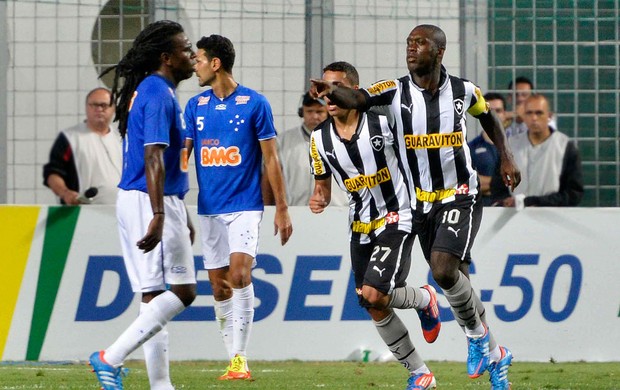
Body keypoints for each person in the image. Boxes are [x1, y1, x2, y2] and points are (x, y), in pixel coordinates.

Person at [311, 24, 521, 390]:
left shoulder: (463, 91)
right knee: (457, 284)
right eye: (408, 43)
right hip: (421, 203)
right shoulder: (392, 92)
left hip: (459, 193)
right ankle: (495, 352)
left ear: (439, 52)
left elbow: (487, 115)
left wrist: (505, 154)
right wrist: (334, 92)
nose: (411, 49)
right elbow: (359, 98)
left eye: (419, 43)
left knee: (442, 271)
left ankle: (473, 338)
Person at [309, 61, 441, 390]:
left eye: (336, 86)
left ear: (354, 91)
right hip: (360, 224)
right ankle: (420, 370)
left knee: (373, 291)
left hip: (398, 215)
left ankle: (425, 304)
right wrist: (319, 200)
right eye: (325, 87)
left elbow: (419, 156)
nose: (329, 94)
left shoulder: (383, 124)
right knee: (371, 302)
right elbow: (321, 187)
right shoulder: (319, 140)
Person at [88, 20, 198, 390]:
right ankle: (110, 358)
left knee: (154, 296)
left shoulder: (161, 91)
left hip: (162, 200)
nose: (192, 54)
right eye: (185, 49)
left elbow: (164, 161)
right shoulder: (155, 92)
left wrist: (177, 210)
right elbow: (152, 156)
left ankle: (160, 384)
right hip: (147, 200)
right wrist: (160, 213)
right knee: (183, 292)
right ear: (167, 57)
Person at [184, 34, 293, 381]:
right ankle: (231, 358)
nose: (194, 65)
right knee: (218, 287)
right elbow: (183, 154)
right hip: (209, 207)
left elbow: (271, 158)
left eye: (199, 59)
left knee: (240, 274)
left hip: (245, 205)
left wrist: (282, 207)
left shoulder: (254, 103)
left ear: (216, 64)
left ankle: (240, 359)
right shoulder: (195, 106)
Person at [491, 94, 583, 208]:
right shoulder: (510, 145)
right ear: (524, 116)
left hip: (551, 218)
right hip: (513, 218)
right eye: (529, 113)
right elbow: (497, 187)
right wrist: (505, 202)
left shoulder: (565, 146)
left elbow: (573, 193)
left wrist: (534, 202)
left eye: (539, 113)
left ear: (549, 116)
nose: (534, 118)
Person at [264, 91, 348, 207]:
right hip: (295, 210)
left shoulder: (345, 140)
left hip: (337, 210)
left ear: (328, 113)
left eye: (319, 112)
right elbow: (268, 179)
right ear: (301, 112)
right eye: (309, 111)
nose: (314, 116)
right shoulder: (282, 141)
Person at [43, 87, 121, 205]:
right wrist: (65, 193)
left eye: (104, 105)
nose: (99, 109)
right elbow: (53, 173)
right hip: (83, 213)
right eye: (94, 105)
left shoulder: (121, 139)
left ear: (113, 108)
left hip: (119, 212)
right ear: (86, 107)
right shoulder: (70, 138)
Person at [468, 93, 507, 206]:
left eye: (498, 111)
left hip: (512, 211)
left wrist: (487, 184)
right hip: (483, 209)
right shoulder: (470, 148)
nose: (494, 115)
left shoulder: (517, 146)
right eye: (490, 111)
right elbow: (468, 184)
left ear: (505, 114)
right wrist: (502, 184)